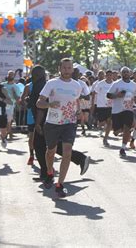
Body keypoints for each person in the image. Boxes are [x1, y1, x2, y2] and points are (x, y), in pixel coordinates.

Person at [36, 58, 82, 198]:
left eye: (69, 68)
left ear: (72, 70)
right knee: (51, 151)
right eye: (64, 68)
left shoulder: (77, 85)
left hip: (69, 123)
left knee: (67, 152)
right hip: (53, 123)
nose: (67, 70)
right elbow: (39, 103)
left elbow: (76, 101)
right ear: (59, 69)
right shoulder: (52, 83)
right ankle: (50, 172)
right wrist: (49, 105)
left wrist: (79, 111)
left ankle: (60, 185)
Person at [107, 67, 136, 156]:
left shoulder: (133, 85)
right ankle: (120, 131)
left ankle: (123, 148)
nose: (125, 74)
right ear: (121, 74)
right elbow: (108, 95)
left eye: (127, 72)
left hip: (128, 109)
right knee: (116, 131)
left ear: (130, 73)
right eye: (123, 72)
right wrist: (117, 95)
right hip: (117, 110)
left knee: (126, 128)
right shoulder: (116, 84)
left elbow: (135, 96)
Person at [91, 70, 114, 147]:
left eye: (110, 75)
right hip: (101, 106)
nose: (109, 76)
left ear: (112, 76)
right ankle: (100, 127)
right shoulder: (100, 84)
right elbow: (94, 93)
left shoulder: (114, 84)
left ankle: (105, 138)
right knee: (102, 122)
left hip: (110, 106)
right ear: (105, 76)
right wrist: (93, 104)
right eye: (107, 75)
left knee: (109, 122)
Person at [1, 70, 21, 140]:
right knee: (3, 121)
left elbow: (18, 99)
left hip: (10, 106)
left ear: (14, 76)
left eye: (12, 75)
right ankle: (6, 134)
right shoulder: (2, 84)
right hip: (2, 105)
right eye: (9, 74)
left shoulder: (16, 87)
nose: (10, 76)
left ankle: (6, 134)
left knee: (8, 121)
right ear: (7, 75)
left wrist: (14, 93)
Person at [72, 68, 91, 136]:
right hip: (68, 107)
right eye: (73, 72)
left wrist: (81, 96)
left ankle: (83, 128)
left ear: (79, 74)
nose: (74, 74)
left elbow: (88, 97)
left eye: (76, 73)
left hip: (81, 105)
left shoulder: (82, 84)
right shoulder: (64, 82)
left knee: (82, 118)